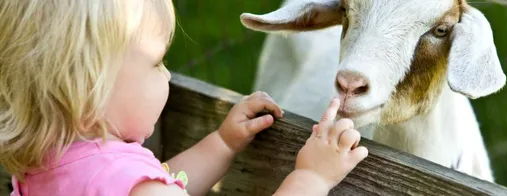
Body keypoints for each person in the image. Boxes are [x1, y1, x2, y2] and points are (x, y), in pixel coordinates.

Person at [0, 0, 368, 195]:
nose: (167, 74)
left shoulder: (53, 163)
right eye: (157, 61)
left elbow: (162, 182)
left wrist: (222, 144)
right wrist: (311, 178)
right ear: (88, 91)